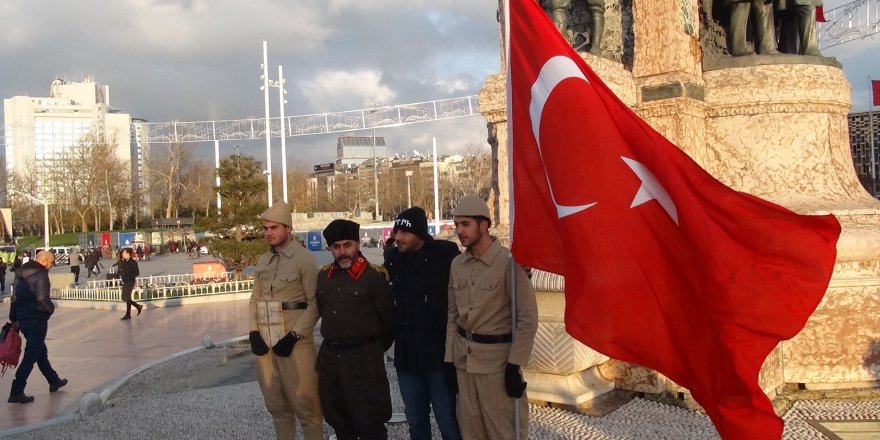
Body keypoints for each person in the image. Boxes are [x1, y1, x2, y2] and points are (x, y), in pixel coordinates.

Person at [445, 196, 538, 440]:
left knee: (504, 431)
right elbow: (453, 316)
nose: (459, 231)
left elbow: (527, 317)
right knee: (471, 431)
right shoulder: (457, 264)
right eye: (456, 225)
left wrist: (514, 365)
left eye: (465, 224)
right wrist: (449, 361)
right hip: (465, 363)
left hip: (497, 365)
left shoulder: (509, 262)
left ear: (483, 225)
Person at [384, 207, 461, 440]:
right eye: (396, 232)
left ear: (419, 233)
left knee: (448, 420)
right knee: (416, 420)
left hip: (439, 357)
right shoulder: (393, 258)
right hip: (407, 357)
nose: (398, 237)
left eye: (404, 233)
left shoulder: (446, 254)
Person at [248, 202, 323, 440]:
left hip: (294, 343)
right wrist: (253, 332)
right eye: (265, 228)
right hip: (266, 342)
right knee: (277, 407)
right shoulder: (263, 260)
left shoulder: (304, 260)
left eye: (274, 228)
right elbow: (255, 299)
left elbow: (314, 303)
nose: (268, 232)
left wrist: (294, 336)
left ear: (288, 229)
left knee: (307, 407)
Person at [316, 219, 394, 440]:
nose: (343, 252)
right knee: (339, 423)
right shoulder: (323, 277)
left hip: (364, 362)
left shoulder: (375, 277)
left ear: (358, 244)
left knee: (369, 425)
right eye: (336, 246)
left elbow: (388, 323)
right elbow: (324, 312)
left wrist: (368, 348)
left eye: (347, 245)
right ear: (330, 248)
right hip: (331, 362)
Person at [7, 251, 67, 404]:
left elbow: (14, 298)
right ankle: (16, 391)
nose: (52, 266)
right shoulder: (41, 275)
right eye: (52, 262)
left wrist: (14, 317)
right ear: (45, 260)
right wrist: (51, 309)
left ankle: (53, 380)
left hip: (23, 320)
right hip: (36, 320)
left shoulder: (20, 273)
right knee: (31, 355)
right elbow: (42, 299)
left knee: (40, 351)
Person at [118, 248, 143, 320]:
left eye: (124, 253)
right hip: (125, 281)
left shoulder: (133, 262)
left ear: (128, 254)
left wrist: (129, 276)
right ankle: (138, 306)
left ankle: (128, 314)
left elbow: (137, 273)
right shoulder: (123, 262)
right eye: (122, 253)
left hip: (130, 281)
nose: (123, 254)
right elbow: (120, 270)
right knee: (123, 297)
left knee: (127, 297)